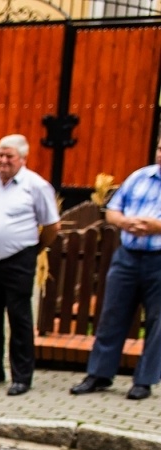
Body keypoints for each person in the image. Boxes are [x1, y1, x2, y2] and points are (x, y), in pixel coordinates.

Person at [0, 134, 60, 396]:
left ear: (23, 159)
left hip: (18, 259)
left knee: (19, 317)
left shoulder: (36, 186)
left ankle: (21, 376)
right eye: (0, 155)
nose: (4, 161)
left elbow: (52, 226)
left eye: (10, 156)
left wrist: (35, 249)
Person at [69, 138, 161, 402]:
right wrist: (125, 221)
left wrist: (156, 226)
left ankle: (144, 381)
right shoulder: (139, 177)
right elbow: (112, 211)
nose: (160, 155)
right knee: (112, 314)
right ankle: (99, 374)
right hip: (128, 257)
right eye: (159, 149)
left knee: (157, 322)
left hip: (158, 259)